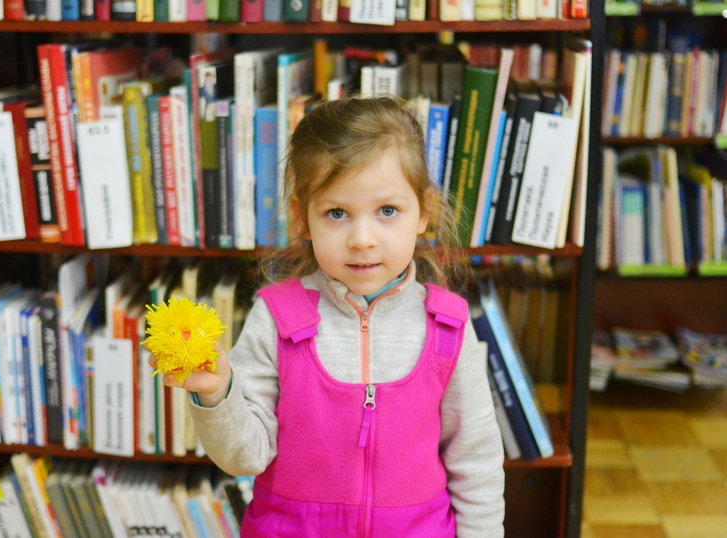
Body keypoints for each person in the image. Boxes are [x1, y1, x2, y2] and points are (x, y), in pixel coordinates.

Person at [149, 96, 505, 537]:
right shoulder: (275, 318)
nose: (361, 238)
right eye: (336, 213)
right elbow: (245, 457)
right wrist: (218, 393)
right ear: (302, 217)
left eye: (387, 211)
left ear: (424, 213)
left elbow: (477, 462)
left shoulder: (448, 325)